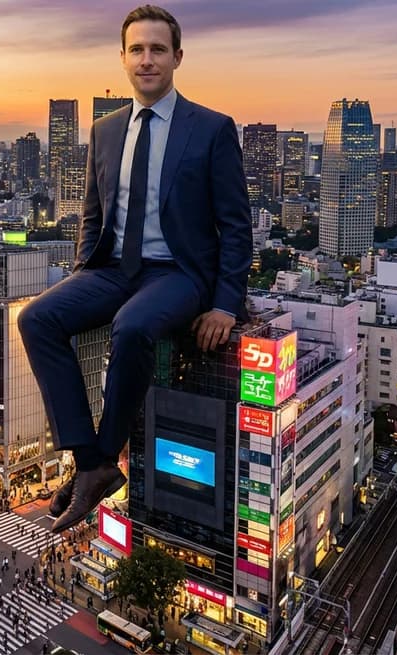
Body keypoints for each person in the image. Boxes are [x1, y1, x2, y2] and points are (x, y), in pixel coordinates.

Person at [19, 4, 251, 533]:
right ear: (123, 58)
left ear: (177, 57)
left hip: (178, 273)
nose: (147, 60)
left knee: (135, 325)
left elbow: (236, 225)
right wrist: (82, 271)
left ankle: (101, 456)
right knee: (36, 319)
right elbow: (92, 212)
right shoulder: (105, 130)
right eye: (137, 50)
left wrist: (223, 302)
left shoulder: (211, 129)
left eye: (158, 50)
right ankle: (92, 463)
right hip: (113, 269)